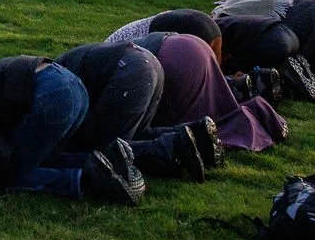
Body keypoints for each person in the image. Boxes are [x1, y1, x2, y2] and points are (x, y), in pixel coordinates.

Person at [0, 56, 144, 213]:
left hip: (52, 93)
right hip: (72, 85)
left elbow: (0, 155)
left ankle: (89, 181)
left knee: (12, 172)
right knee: (43, 156)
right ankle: (109, 163)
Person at [53, 41, 218, 182]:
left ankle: (172, 147)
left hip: (130, 70)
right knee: (139, 133)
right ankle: (195, 133)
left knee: (110, 152)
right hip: (146, 63)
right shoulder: (55, 68)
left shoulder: (50, 88)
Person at [141, 32, 285, 152]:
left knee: (167, 118)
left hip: (169, 55)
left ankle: (194, 132)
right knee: (214, 92)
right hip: (191, 42)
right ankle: (236, 86)